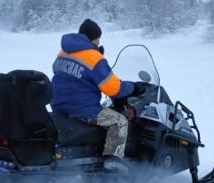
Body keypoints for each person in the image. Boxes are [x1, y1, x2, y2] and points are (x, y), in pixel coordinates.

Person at [51, 19, 145, 173]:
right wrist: (134, 87)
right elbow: (114, 89)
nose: (98, 41)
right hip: (83, 109)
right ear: (93, 38)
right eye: (98, 38)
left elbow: (69, 75)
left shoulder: (63, 52)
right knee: (119, 121)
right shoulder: (94, 58)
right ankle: (113, 160)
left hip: (59, 105)